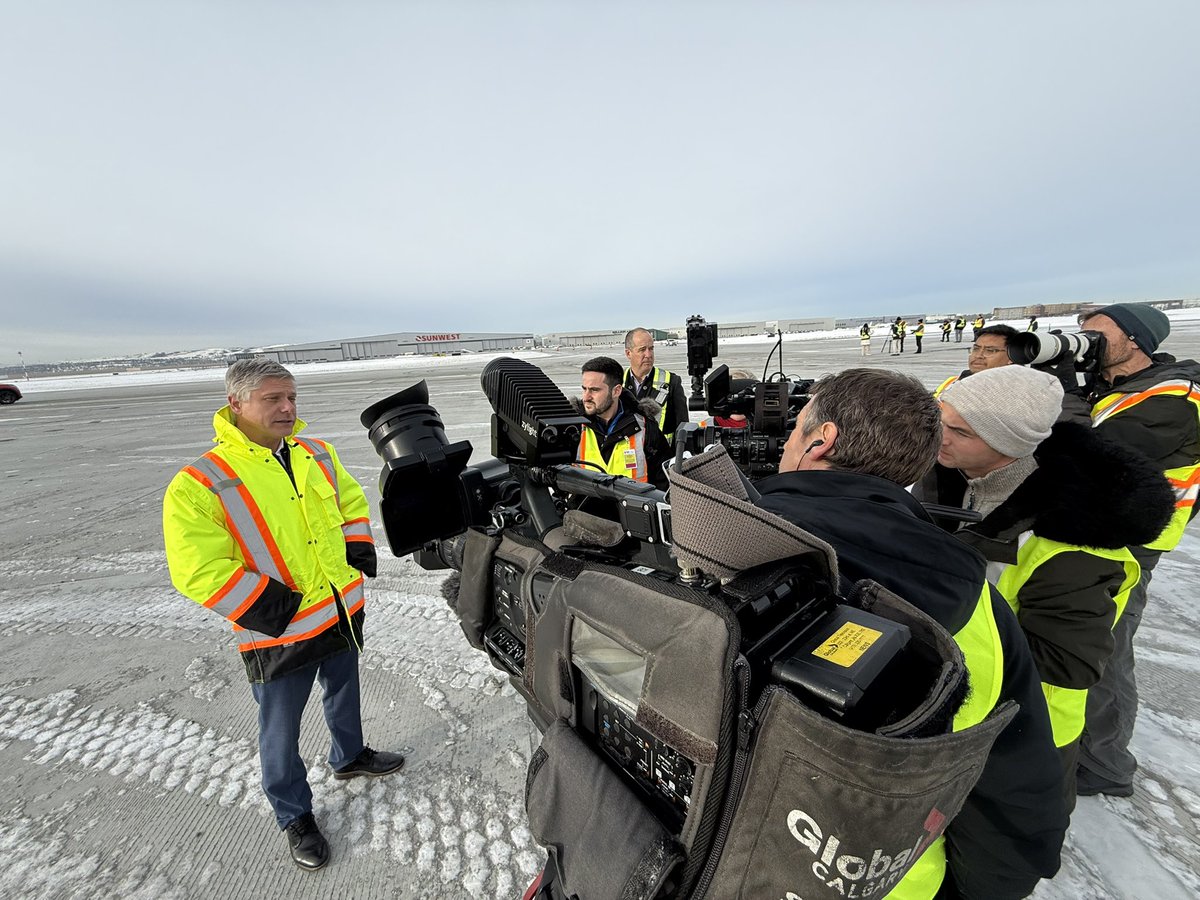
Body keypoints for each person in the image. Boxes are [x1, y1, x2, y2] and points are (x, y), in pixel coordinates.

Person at [753, 368, 1067, 900]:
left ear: (821, 440)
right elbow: (1015, 787)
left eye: (795, 428)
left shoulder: (715, 544)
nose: (786, 441)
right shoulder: (975, 605)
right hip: (887, 879)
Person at [162, 358, 405, 871]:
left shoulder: (317, 451)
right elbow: (196, 568)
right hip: (277, 628)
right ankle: (294, 815)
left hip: (339, 606)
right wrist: (271, 607)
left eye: (291, 396)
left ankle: (349, 756)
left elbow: (350, 500)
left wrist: (357, 546)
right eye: (272, 399)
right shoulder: (202, 481)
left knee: (344, 690)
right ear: (236, 404)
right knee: (280, 729)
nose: (287, 408)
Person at [918, 366, 1173, 810]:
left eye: (959, 430)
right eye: (940, 419)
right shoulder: (956, 480)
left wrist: (932, 636)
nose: (939, 436)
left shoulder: (1070, 547)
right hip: (966, 711)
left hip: (1026, 733)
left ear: (1007, 445)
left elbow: (1069, 663)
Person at [1073, 303, 1200, 797]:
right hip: (1092, 527)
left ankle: (1105, 762)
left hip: (1132, 541)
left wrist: (1062, 397)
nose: (1087, 343)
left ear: (1134, 340)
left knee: (1104, 645)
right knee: (1078, 638)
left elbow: (1098, 453)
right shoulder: (1110, 388)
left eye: (1098, 336)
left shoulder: (1174, 394)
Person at [574, 356, 672, 489]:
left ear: (616, 391)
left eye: (594, 390)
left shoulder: (645, 428)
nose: (586, 397)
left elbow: (664, 484)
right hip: (583, 509)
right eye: (584, 389)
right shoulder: (574, 427)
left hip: (633, 508)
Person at [622, 327, 689, 443]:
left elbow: (683, 428)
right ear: (628, 353)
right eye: (642, 350)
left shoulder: (672, 382)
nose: (648, 354)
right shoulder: (616, 383)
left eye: (651, 349)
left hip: (662, 458)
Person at [933, 323, 1019, 398]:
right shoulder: (953, 381)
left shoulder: (1015, 394)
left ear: (1012, 357)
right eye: (976, 349)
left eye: (990, 350)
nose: (978, 356)